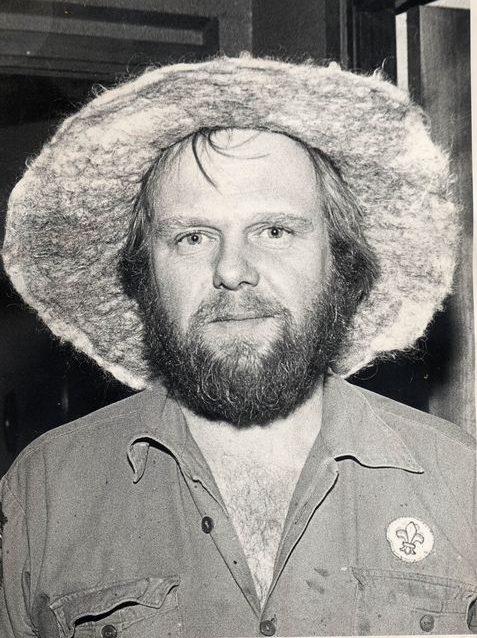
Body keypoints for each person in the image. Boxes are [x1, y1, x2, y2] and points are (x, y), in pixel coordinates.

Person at [0, 56, 475, 637]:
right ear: (144, 275)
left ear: (340, 262)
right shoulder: (44, 493)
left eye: (274, 231)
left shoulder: (461, 481)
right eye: (192, 237)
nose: (231, 270)